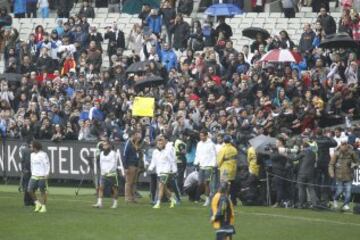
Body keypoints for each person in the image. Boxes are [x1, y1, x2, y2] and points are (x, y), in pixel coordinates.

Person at [148, 134, 178, 209]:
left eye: (161, 142)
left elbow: (173, 160)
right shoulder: (155, 152)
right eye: (158, 143)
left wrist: (174, 170)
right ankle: (172, 199)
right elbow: (153, 161)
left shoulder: (168, 151)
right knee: (163, 187)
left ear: (164, 143)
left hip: (166, 171)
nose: (159, 144)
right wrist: (150, 168)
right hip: (159, 171)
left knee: (161, 186)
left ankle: (158, 203)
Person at [329, 139, 359, 210]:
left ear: (347, 144)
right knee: (339, 191)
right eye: (342, 144)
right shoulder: (336, 153)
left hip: (349, 175)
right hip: (339, 175)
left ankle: (346, 204)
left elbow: (357, 162)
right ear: (341, 144)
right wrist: (331, 173)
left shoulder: (352, 153)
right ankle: (335, 200)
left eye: (345, 144)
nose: (344, 146)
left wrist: (354, 165)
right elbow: (331, 164)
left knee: (348, 191)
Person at [93, 140, 119, 209]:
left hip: (112, 174)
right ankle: (99, 203)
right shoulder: (101, 153)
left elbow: (114, 164)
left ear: (109, 145)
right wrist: (102, 171)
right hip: (103, 174)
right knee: (101, 188)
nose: (104, 146)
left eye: (105, 145)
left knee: (114, 189)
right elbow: (101, 163)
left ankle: (115, 203)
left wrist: (109, 171)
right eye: (103, 145)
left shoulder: (113, 153)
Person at [194, 129, 217, 206]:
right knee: (200, 183)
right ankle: (208, 196)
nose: (201, 137)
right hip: (201, 165)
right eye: (200, 136)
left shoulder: (211, 144)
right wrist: (196, 162)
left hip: (209, 165)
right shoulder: (199, 144)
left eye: (202, 136)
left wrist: (213, 164)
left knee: (206, 183)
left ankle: (207, 199)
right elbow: (197, 154)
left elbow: (214, 155)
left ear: (206, 136)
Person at [27, 141, 50, 213]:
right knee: (29, 190)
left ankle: (43, 207)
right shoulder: (32, 155)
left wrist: (47, 174)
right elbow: (32, 165)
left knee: (43, 191)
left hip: (42, 176)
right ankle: (37, 203)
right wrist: (32, 172)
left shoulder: (43, 154)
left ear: (35, 147)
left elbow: (47, 164)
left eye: (31, 146)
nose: (30, 147)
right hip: (34, 175)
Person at [217, 135, 238, 206]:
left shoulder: (223, 149)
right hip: (233, 169)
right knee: (232, 186)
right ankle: (233, 201)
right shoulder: (234, 149)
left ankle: (224, 200)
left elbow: (219, 160)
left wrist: (219, 166)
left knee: (224, 185)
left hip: (225, 169)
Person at [123, 130, 142, 203]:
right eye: (136, 135)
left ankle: (133, 198)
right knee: (129, 182)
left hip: (135, 165)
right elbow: (125, 155)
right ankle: (128, 198)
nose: (138, 136)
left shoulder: (134, 143)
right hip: (130, 165)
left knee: (134, 183)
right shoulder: (128, 143)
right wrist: (126, 167)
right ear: (133, 135)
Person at [19, 141, 33, 206]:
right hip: (29, 171)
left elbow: (22, 161)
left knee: (27, 186)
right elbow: (27, 161)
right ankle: (28, 201)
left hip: (26, 170)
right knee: (29, 186)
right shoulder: (30, 151)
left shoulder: (24, 150)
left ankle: (28, 201)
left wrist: (23, 169)